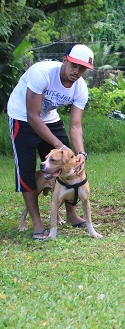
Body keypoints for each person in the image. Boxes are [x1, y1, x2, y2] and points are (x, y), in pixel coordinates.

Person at [7, 44, 95, 240]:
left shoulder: (80, 88)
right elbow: (33, 117)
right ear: (65, 60)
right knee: (27, 169)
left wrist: (80, 153)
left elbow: (75, 126)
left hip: (49, 118)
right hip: (22, 116)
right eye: (74, 66)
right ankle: (37, 222)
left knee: (69, 162)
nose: (77, 72)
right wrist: (60, 146)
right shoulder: (42, 73)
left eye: (82, 69)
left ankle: (71, 214)